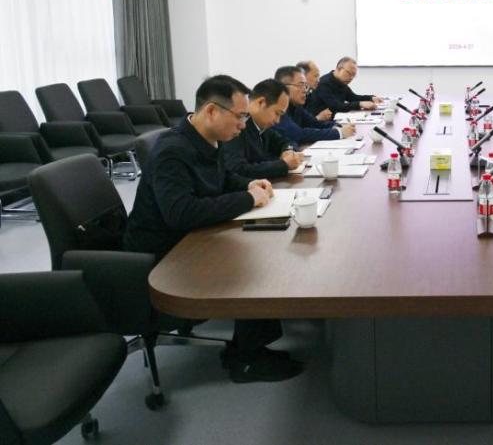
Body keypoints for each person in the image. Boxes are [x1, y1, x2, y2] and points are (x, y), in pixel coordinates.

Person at [124, 75, 302, 384]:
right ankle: (246, 360)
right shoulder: (172, 151)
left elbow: (220, 179)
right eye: (240, 116)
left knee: (262, 247)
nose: (243, 125)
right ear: (211, 111)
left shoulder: (206, 138)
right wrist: (247, 199)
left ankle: (251, 346)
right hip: (164, 253)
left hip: (188, 237)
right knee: (254, 264)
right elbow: (181, 213)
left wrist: (248, 184)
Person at [221, 78, 305, 179]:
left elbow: (286, 141)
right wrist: (283, 165)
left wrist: (288, 151)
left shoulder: (262, 126)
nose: (278, 121)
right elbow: (237, 169)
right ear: (261, 103)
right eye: (277, 113)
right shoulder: (236, 128)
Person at [272, 65, 355, 147]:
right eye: (300, 85)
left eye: (305, 85)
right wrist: (339, 133)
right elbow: (299, 134)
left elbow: (316, 123)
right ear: (283, 87)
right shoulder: (277, 109)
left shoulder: (296, 106)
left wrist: (338, 125)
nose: (305, 90)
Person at [308, 57, 382, 115]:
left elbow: (353, 98)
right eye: (349, 73)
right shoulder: (323, 83)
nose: (351, 78)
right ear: (338, 69)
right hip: (319, 123)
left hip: (333, 120)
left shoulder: (341, 82)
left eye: (353, 75)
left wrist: (371, 98)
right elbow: (336, 106)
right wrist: (360, 104)